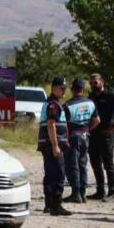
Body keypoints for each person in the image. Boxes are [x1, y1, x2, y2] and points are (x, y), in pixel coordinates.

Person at [87, 73, 114, 202]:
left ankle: (112, 192)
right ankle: (100, 191)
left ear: (102, 82)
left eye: (96, 82)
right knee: (95, 162)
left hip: (106, 134)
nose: (94, 85)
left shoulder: (110, 95)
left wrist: (113, 127)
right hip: (93, 134)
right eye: (91, 83)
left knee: (108, 163)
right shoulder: (91, 96)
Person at [38, 76, 72, 216]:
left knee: (50, 174)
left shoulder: (54, 103)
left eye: (65, 88)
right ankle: (56, 206)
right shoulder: (53, 104)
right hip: (52, 145)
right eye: (61, 88)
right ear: (54, 88)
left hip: (49, 144)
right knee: (58, 174)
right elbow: (51, 125)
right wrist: (55, 145)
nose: (64, 90)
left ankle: (49, 205)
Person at [63, 78, 100, 203]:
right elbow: (97, 120)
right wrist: (87, 129)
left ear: (72, 89)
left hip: (72, 137)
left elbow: (64, 125)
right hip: (85, 136)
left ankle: (76, 193)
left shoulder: (67, 105)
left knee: (72, 165)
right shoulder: (90, 103)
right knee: (83, 164)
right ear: (83, 89)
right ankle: (83, 193)